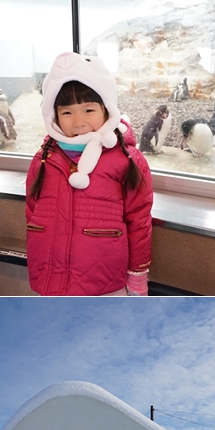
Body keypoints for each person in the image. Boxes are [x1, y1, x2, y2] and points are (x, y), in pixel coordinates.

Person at [26, 51, 153, 296]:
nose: (78, 121)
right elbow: (31, 211)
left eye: (88, 110)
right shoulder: (44, 158)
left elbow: (139, 221)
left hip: (103, 283)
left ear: (106, 109)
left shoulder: (126, 158)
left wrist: (138, 274)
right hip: (49, 281)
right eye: (66, 112)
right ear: (54, 115)